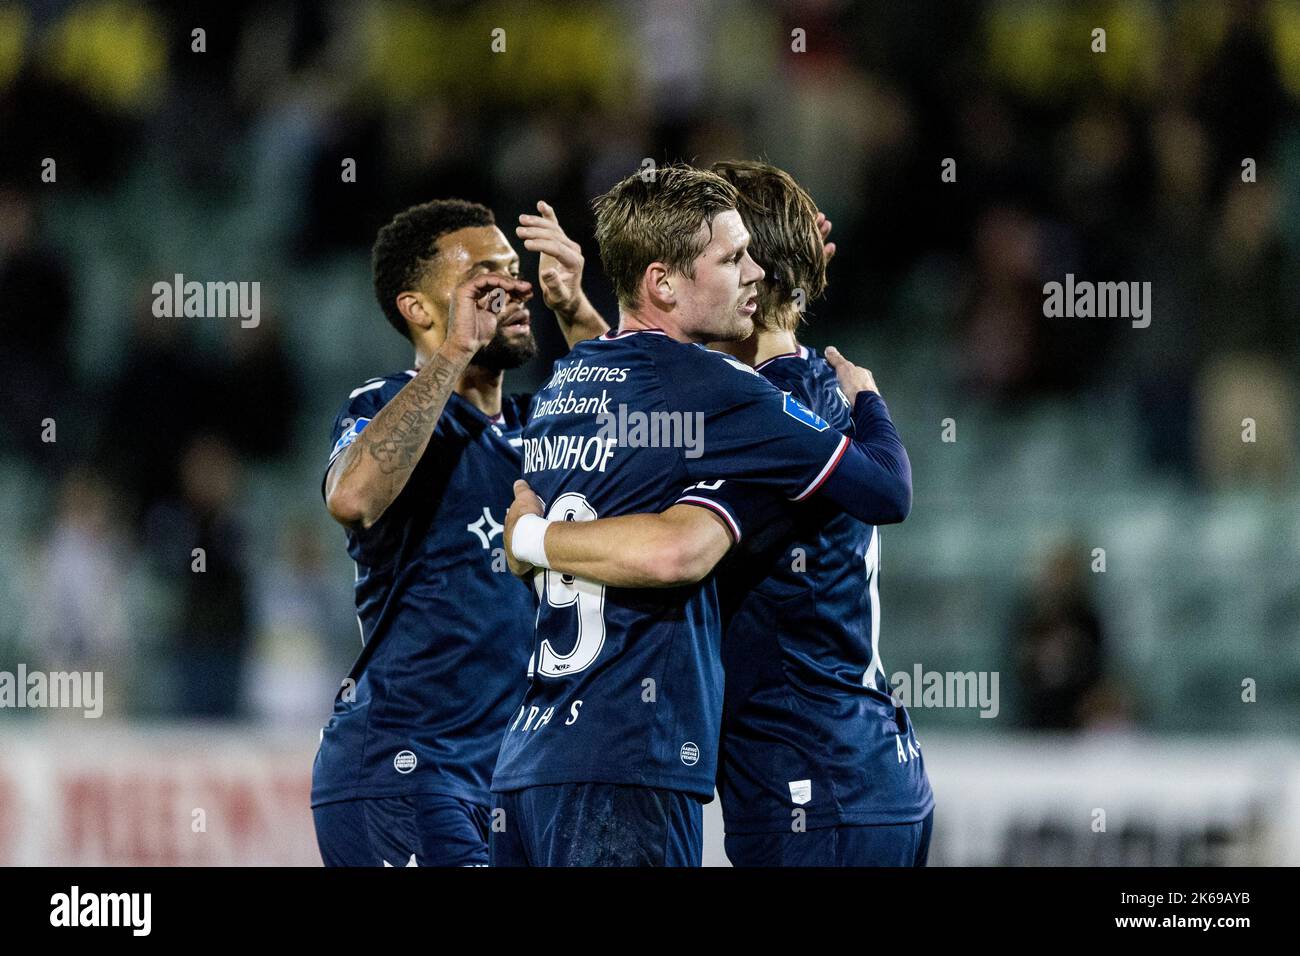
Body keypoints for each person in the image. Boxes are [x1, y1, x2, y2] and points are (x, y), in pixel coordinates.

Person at [490, 165, 911, 866]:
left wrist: (529, 539)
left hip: (532, 761)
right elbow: (882, 491)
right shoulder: (727, 392)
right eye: (732, 258)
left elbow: (640, 400)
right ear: (663, 281)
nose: (751, 272)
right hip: (634, 765)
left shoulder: (570, 378)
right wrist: (865, 397)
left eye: (754, 256)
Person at [311, 198, 605, 866]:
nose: (517, 286)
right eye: (487, 278)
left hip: (518, 782)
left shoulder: (543, 426)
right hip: (406, 772)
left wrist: (575, 308)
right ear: (420, 309)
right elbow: (353, 497)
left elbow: (635, 430)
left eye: (517, 268)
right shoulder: (382, 406)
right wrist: (457, 350)